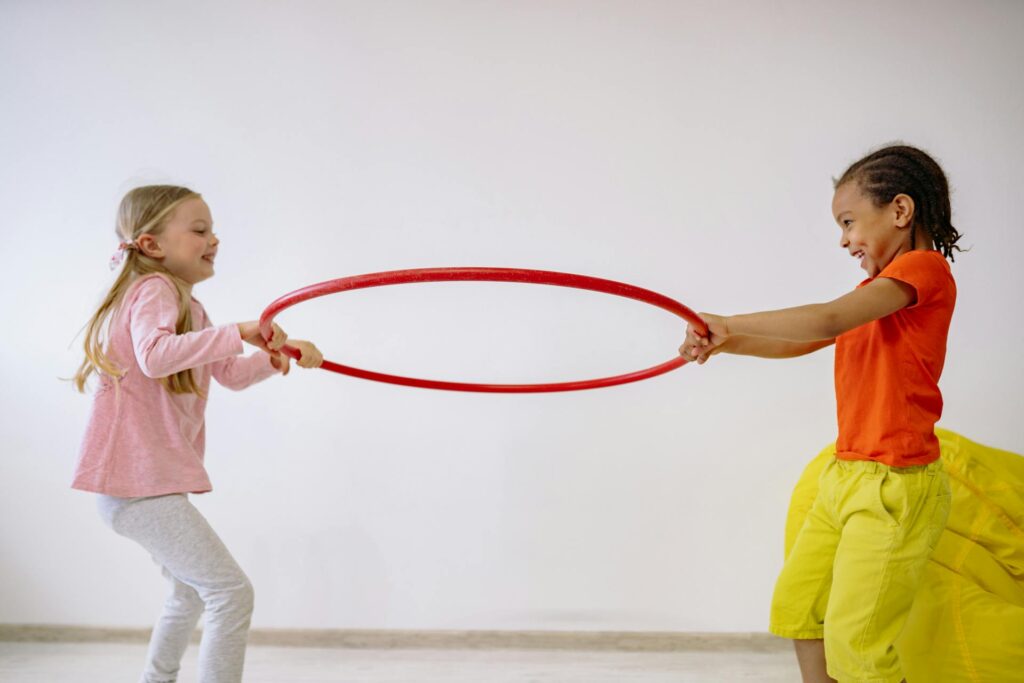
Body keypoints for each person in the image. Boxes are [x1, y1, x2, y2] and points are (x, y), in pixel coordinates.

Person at [679, 144, 962, 683]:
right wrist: (726, 341)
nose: (844, 239)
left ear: (900, 211)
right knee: (800, 609)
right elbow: (804, 340)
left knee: (857, 643)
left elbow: (825, 317)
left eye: (850, 221)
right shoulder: (876, 295)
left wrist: (729, 319)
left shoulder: (924, 273)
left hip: (894, 486)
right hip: (847, 475)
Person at [71, 185, 324, 683]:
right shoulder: (153, 290)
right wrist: (241, 330)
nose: (214, 239)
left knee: (188, 591)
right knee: (230, 593)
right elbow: (155, 355)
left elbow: (226, 374)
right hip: (137, 487)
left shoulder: (190, 306)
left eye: (213, 230)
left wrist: (273, 358)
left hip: (138, 488)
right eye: (200, 230)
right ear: (151, 245)